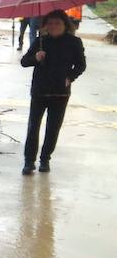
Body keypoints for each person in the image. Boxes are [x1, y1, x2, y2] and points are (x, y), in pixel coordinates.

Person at [20, 9, 86, 175]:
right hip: (39, 90)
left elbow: (81, 65)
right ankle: (29, 161)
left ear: (65, 25)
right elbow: (24, 62)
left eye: (57, 23)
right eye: (50, 23)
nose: (54, 26)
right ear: (45, 25)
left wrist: (70, 77)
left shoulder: (74, 42)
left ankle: (45, 159)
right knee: (33, 126)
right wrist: (36, 57)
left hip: (60, 92)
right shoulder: (40, 41)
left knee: (53, 128)